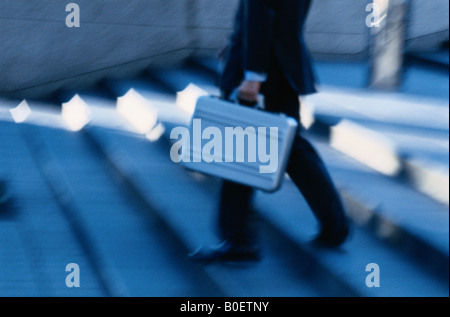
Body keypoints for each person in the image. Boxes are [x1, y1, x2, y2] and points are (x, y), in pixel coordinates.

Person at [190, 0, 349, 262]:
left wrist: (253, 74)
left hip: (266, 73)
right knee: (293, 150)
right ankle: (335, 226)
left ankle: (238, 239)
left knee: (241, 148)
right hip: (280, 67)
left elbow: (260, 14)